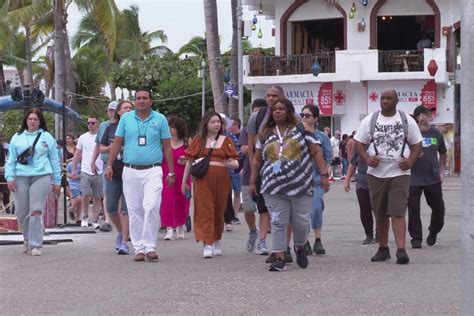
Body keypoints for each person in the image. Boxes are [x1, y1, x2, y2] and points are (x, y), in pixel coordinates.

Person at [249, 98, 330, 272]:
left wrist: (323, 175)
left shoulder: (302, 129)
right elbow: (257, 160)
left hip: (300, 185)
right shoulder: (265, 133)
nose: (277, 111)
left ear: (289, 111)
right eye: (275, 109)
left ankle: (299, 247)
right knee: (278, 221)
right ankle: (279, 256)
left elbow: (316, 152)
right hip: (272, 185)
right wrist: (253, 180)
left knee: (300, 222)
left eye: (281, 109)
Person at [105, 88, 175, 262]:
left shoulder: (160, 119)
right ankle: (139, 248)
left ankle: (150, 246)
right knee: (135, 210)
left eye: (145, 98)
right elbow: (117, 143)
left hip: (153, 169)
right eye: (138, 98)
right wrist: (109, 165)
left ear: (151, 101)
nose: (142, 101)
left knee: (151, 206)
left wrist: (171, 171)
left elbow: (167, 146)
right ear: (135, 101)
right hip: (130, 170)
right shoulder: (126, 119)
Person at [354, 89, 422, 264]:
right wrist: (368, 159)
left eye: (388, 98)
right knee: (380, 213)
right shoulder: (370, 120)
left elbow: (417, 145)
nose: (385, 101)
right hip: (376, 175)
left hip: (400, 173)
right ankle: (383, 249)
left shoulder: (407, 120)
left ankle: (401, 250)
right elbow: (359, 144)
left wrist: (411, 162)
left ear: (396, 100)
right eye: (382, 98)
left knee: (398, 211)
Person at [181, 110, 239, 258]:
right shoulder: (198, 140)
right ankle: (207, 242)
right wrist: (184, 181)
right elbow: (189, 161)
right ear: (206, 124)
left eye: (218, 122)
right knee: (205, 210)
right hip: (202, 179)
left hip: (221, 179)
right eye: (213, 122)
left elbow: (236, 162)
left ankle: (216, 239)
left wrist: (230, 164)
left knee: (219, 210)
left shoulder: (226, 140)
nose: (216, 124)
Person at [5, 109, 61, 256]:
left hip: (41, 175)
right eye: (30, 119)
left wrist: (57, 180)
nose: (32, 122)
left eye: (35, 119)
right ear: (26, 120)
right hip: (21, 176)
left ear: (40, 121)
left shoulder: (47, 137)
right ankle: (26, 238)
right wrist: (9, 177)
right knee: (21, 211)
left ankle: (36, 243)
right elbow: (10, 160)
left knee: (35, 209)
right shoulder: (17, 137)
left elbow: (54, 160)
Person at [246, 85, 287, 261]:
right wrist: (254, 172)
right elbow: (251, 146)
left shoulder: (291, 116)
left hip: (285, 171)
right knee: (262, 207)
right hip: (264, 170)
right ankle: (262, 240)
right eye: (268, 95)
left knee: (285, 210)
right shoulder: (257, 116)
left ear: (282, 97)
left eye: (275, 95)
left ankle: (288, 245)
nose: (271, 98)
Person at [407, 105, 447, 248]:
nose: (428, 116)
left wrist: (442, 171)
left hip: (432, 178)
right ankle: (416, 239)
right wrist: (413, 155)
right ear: (418, 117)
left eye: (429, 113)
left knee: (439, 208)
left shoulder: (436, 133)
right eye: (425, 114)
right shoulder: (410, 134)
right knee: (413, 209)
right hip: (413, 179)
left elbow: (443, 153)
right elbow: (402, 153)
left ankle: (434, 230)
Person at [100, 100, 133, 254]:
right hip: (112, 171)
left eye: (130, 108)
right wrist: (113, 146)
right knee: (111, 207)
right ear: (118, 111)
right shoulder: (110, 127)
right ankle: (121, 232)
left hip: (130, 170)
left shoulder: (135, 127)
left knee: (126, 209)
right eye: (125, 108)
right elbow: (101, 148)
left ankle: (125, 241)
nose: (128, 110)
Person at [300, 104, 332, 255]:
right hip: (300, 180)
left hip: (317, 179)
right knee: (302, 212)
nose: (304, 118)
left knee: (316, 208)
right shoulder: (297, 135)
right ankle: (304, 241)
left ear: (316, 119)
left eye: (307, 116)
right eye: (302, 115)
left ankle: (318, 239)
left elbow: (327, 158)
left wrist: (325, 175)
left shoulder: (322, 137)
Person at [240, 99, 267, 252]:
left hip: (266, 175)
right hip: (248, 174)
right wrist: (254, 144)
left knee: (263, 209)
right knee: (249, 208)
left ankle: (262, 241)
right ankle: (252, 231)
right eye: (255, 112)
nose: (257, 116)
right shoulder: (246, 130)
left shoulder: (271, 130)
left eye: (260, 113)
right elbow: (244, 148)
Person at [161, 116, 191, 240]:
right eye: (168, 127)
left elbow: (194, 159)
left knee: (182, 201)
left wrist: (186, 161)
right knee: (167, 201)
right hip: (166, 175)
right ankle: (169, 228)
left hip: (183, 176)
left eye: (172, 127)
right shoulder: (163, 143)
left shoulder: (186, 143)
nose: (170, 130)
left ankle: (180, 225)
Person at [71, 115, 104, 229]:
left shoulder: (101, 136)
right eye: (89, 123)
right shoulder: (83, 137)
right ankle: (84, 217)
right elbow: (77, 153)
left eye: (93, 123)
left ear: (98, 124)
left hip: (99, 171)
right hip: (85, 170)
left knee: (97, 197)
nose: (90, 125)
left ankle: (95, 220)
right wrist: (74, 168)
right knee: (85, 195)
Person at [91, 101, 118, 232]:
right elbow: (98, 146)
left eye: (114, 110)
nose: (112, 112)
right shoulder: (103, 126)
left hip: (122, 161)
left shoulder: (123, 124)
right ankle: (107, 220)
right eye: (110, 110)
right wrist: (92, 161)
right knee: (106, 192)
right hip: (106, 162)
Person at [344, 151, 376, 244]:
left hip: (377, 179)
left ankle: (380, 233)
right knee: (364, 207)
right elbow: (352, 163)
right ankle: (369, 235)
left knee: (378, 208)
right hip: (362, 180)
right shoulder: (358, 145)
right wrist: (347, 180)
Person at [0, 134, 11, 214]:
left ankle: (7, 207)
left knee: (6, 192)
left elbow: (7, 158)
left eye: (1, 137)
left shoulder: (6, 147)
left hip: (3, 172)